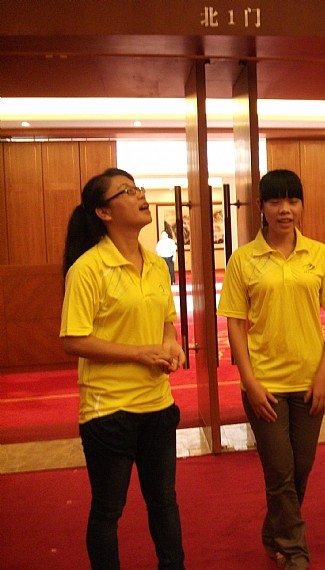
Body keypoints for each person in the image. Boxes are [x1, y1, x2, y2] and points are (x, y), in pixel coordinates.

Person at [217, 169, 325, 570]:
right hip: (266, 384)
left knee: (300, 469)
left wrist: (324, 374)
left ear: (302, 205)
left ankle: (273, 532)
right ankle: (294, 551)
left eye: (293, 201)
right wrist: (249, 381)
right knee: (279, 471)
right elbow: (235, 323)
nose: (285, 210)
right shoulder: (243, 259)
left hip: (309, 382)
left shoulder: (320, 255)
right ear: (261, 207)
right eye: (275, 201)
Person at [59, 168, 186, 569]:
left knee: (164, 501)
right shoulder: (88, 269)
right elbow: (73, 340)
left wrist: (171, 346)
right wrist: (139, 354)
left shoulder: (156, 264)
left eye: (138, 188)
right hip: (109, 410)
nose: (140, 195)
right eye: (127, 191)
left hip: (157, 404)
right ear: (104, 212)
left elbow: (166, 323)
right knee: (108, 509)